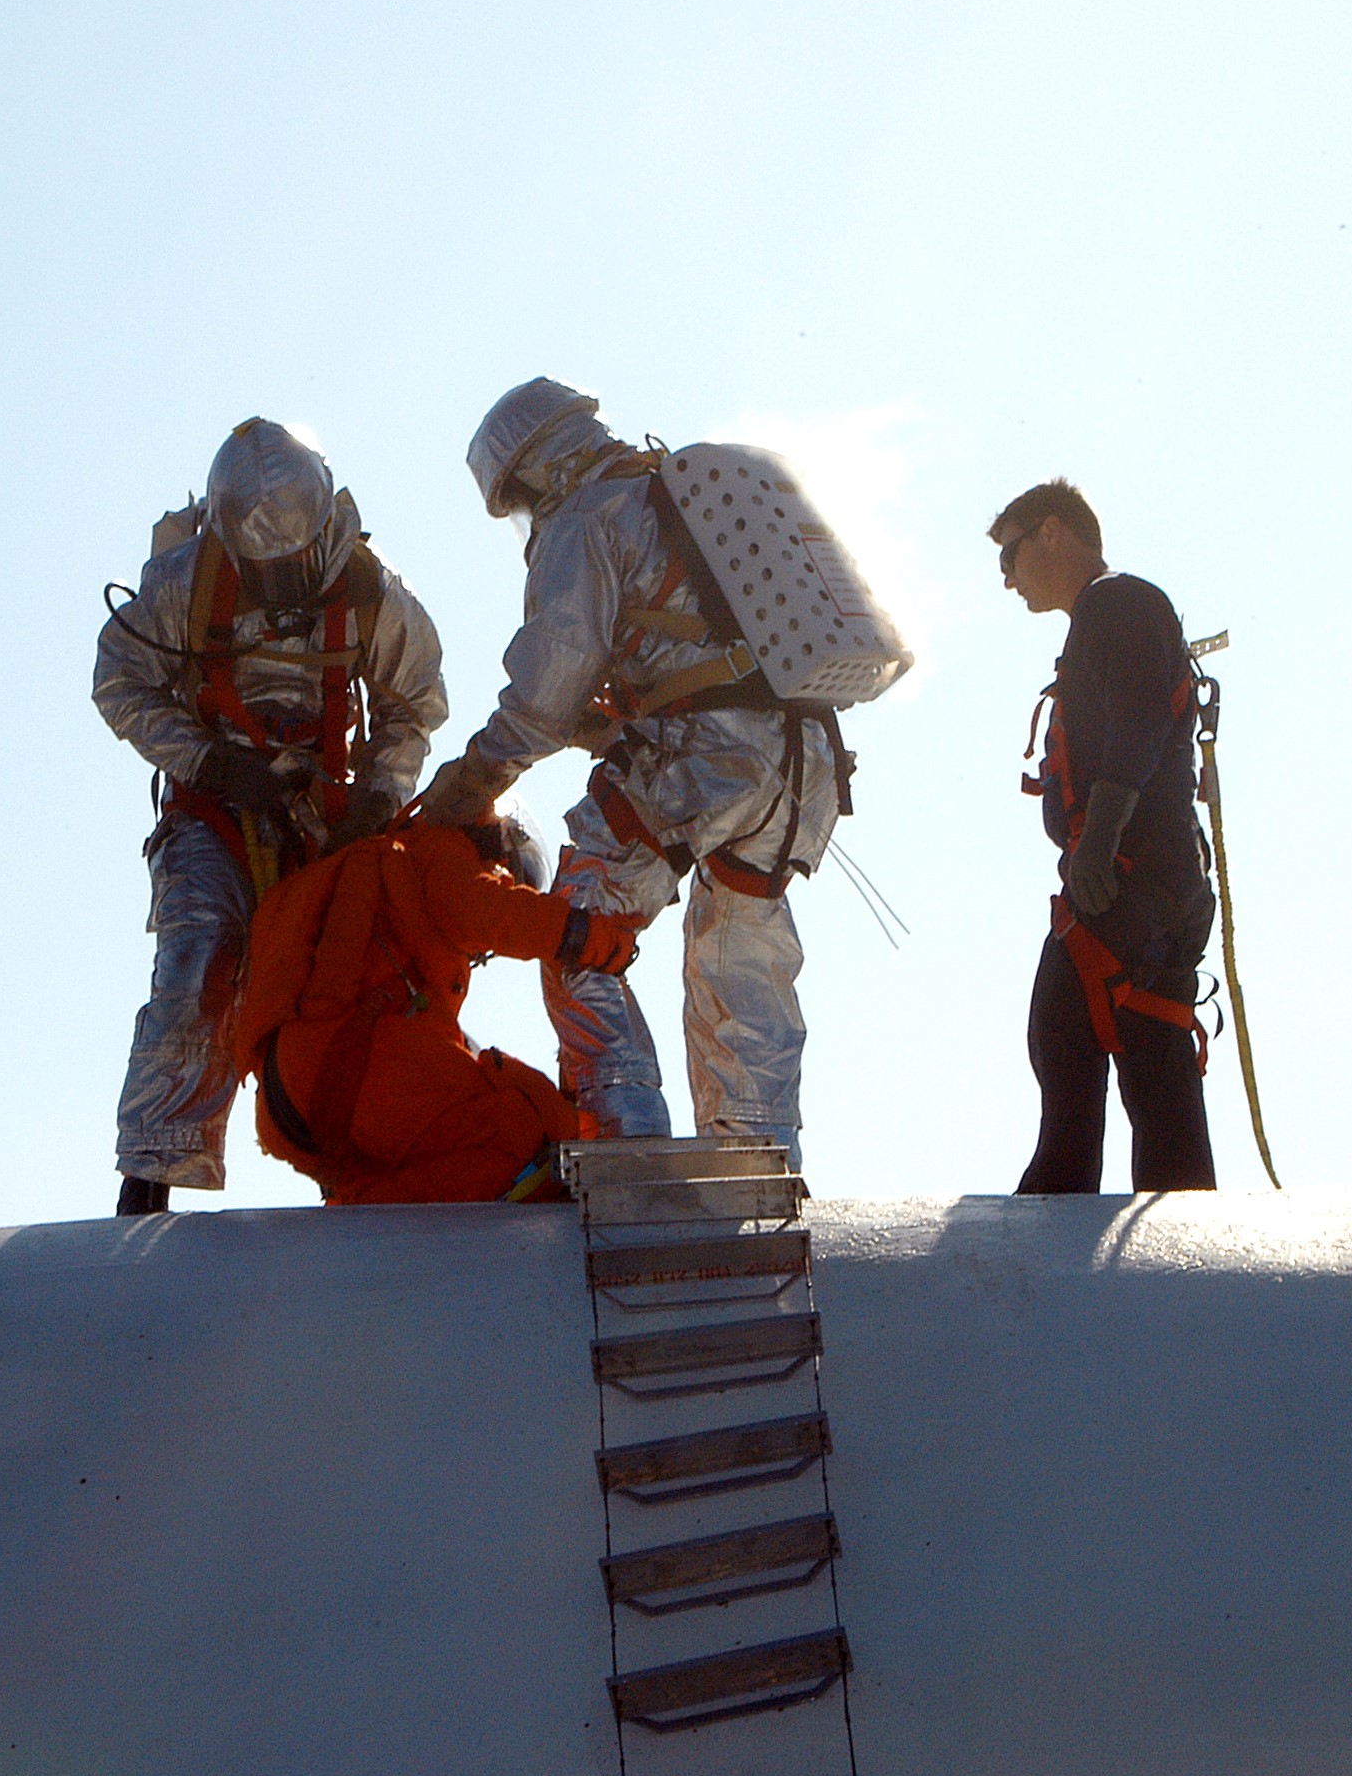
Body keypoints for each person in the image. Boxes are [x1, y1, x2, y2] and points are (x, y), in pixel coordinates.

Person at [416, 379, 848, 1168]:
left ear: (540, 466)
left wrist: (479, 773)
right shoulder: (676, 496)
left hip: (704, 756)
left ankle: (624, 1135)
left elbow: (552, 680)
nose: (525, 517)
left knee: (580, 926)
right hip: (804, 757)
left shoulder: (583, 515)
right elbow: (693, 653)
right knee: (739, 952)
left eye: (518, 498)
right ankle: (760, 1151)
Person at [94, 418, 448, 1215]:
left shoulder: (373, 593)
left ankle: (353, 1178)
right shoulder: (185, 584)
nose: (283, 584)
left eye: (294, 565)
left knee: (343, 994)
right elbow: (119, 681)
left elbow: (414, 703)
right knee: (199, 964)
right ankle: (150, 1179)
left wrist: (378, 800)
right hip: (213, 808)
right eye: (266, 569)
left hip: (328, 822)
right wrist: (211, 761)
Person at [230, 815, 640, 1205]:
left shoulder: (384, 894)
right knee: (525, 1125)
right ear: (499, 849)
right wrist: (588, 939)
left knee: (439, 1152)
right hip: (350, 1064)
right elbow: (480, 909)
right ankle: (577, 1185)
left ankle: (362, 1220)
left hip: (291, 1102)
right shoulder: (441, 849)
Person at [995, 478, 1217, 1194]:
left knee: (1078, 1037)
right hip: (1139, 883)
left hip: (1132, 882)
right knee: (1118, 1051)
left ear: (1052, 531)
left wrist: (1100, 838)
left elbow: (1141, 717)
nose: (1007, 579)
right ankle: (1158, 1226)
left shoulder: (1117, 602)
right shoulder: (1110, 612)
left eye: (1012, 553)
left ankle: (1075, 1227)